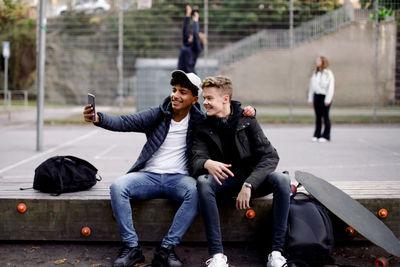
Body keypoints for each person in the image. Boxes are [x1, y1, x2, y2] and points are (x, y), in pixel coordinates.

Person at [82, 71, 255, 267]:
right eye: (174, 90)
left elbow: (224, 110)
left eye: (183, 92)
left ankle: (166, 249)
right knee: (118, 187)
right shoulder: (158, 114)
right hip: (148, 176)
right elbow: (125, 122)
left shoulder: (200, 121)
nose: (176, 95)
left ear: (194, 99)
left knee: (197, 190)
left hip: (179, 179)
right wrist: (98, 117)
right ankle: (132, 248)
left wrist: (247, 111)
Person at [190, 76, 291, 267]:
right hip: (224, 181)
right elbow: (195, 158)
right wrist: (206, 163)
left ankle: (276, 254)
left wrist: (249, 184)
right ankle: (218, 257)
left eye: (210, 98)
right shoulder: (202, 126)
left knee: (282, 181)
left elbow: (270, 156)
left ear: (225, 99)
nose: (205, 103)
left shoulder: (247, 120)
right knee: (203, 182)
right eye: (205, 98)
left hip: (252, 180)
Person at [307, 56, 335, 143]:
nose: (317, 62)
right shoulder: (315, 73)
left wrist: (328, 100)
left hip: (324, 96)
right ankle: (317, 134)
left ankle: (326, 136)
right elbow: (312, 87)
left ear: (323, 62)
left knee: (325, 117)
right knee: (318, 117)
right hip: (316, 96)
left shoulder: (328, 73)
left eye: (318, 61)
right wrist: (310, 98)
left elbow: (331, 87)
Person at [177, 5, 205, 74]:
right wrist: (188, 14)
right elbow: (185, 30)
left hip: (190, 76)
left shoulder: (196, 48)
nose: (191, 35)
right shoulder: (187, 43)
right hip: (181, 74)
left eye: (193, 36)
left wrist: (196, 21)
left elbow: (195, 34)